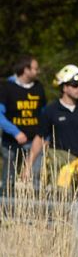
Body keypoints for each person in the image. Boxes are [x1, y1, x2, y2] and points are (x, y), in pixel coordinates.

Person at [22, 65, 78, 194]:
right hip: (59, 164)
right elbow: (40, 138)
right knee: (62, 197)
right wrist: (28, 166)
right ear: (64, 87)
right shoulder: (51, 110)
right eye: (75, 85)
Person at [0, 54, 46, 194]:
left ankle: (36, 201)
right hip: (11, 141)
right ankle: (6, 201)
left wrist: (45, 135)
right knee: (9, 178)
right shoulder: (7, 87)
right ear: (26, 70)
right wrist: (15, 132)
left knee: (36, 175)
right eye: (35, 68)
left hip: (34, 140)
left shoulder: (38, 87)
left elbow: (44, 113)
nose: (38, 71)